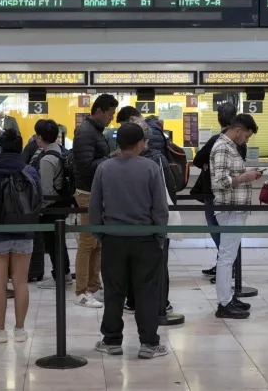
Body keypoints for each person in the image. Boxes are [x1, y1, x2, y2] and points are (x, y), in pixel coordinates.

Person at [90, 123, 169, 359]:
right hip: (145, 240)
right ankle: (149, 344)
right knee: (146, 291)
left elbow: (95, 206)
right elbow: (160, 207)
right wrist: (159, 235)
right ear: (139, 144)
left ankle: (112, 340)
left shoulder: (104, 168)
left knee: (114, 291)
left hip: (113, 239)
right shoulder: (150, 168)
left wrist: (99, 233)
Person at [0, 129, 41, 343]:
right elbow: (37, 201)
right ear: (20, 147)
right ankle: (20, 330)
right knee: (21, 283)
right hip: (25, 232)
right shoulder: (30, 171)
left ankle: (0, 331)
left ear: (0, 146)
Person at [113, 112, 175, 314]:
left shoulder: (112, 164)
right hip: (150, 226)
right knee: (155, 265)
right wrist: (160, 228)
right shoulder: (156, 161)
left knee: (134, 267)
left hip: (126, 228)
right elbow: (168, 193)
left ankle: (138, 301)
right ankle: (156, 302)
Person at [210, 114, 261, 319]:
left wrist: (244, 175)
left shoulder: (229, 146)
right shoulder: (223, 147)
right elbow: (220, 181)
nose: (246, 140)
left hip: (235, 208)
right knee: (226, 257)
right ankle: (224, 303)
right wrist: (244, 177)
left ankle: (228, 297)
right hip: (229, 208)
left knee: (228, 256)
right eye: (246, 136)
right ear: (238, 130)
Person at [72, 93, 119, 308]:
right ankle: (81, 291)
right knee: (87, 243)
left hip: (97, 193)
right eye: (109, 114)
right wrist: (112, 157)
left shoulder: (97, 132)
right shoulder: (85, 133)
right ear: (98, 111)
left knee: (97, 243)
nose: (111, 118)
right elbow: (86, 167)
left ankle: (93, 286)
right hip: (87, 194)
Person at [193, 103, 247, 278]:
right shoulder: (240, 141)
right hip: (233, 192)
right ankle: (225, 263)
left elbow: (197, 159)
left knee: (216, 229)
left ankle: (225, 264)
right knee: (229, 232)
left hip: (213, 190)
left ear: (218, 118)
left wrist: (207, 164)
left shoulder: (217, 139)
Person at [32, 120, 72, 289]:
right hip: (62, 203)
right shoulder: (60, 151)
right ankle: (65, 274)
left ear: (40, 137)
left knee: (53, 243)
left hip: (51, 208)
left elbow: (46, 189)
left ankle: (60, 276)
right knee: (58, 242)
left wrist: (41, 209)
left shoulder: (47, 159)